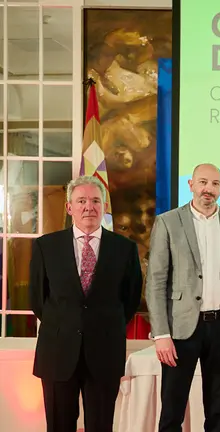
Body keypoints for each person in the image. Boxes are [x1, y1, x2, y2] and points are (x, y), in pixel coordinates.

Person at [29, 175, 143, 431]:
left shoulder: (124, 249)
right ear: (70, 207)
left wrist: (100, 324)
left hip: (105, 352)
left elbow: (131, 299)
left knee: (101, 426)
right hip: (57, 353)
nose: (88, 207)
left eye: (95, 200)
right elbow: (37, 300)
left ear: (104, 206)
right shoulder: (46, 246)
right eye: (81, 201)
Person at [146, 163, 220, 432]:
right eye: (203, 182)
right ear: (190, 184)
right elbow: (155, 281)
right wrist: (161, 334)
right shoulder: (168, 222)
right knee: (172, 410)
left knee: (218, 412)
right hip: (180, 330)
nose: (208, 189)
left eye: (215, 184)